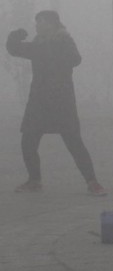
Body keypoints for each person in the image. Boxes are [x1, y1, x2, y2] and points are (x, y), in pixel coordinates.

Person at [6, 10, 107, 196]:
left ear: (52, 23)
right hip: (38, 102)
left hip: (62, 102)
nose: (37, 25)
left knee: (74, 142)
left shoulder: (64, 41)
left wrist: (52, 50)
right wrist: (14, 37)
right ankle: (34, 181)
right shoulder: (38, 45)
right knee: (28, 141)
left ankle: (92, 182)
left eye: (41, 21)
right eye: (36, 21)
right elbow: (14, 50)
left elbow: (76, 59)